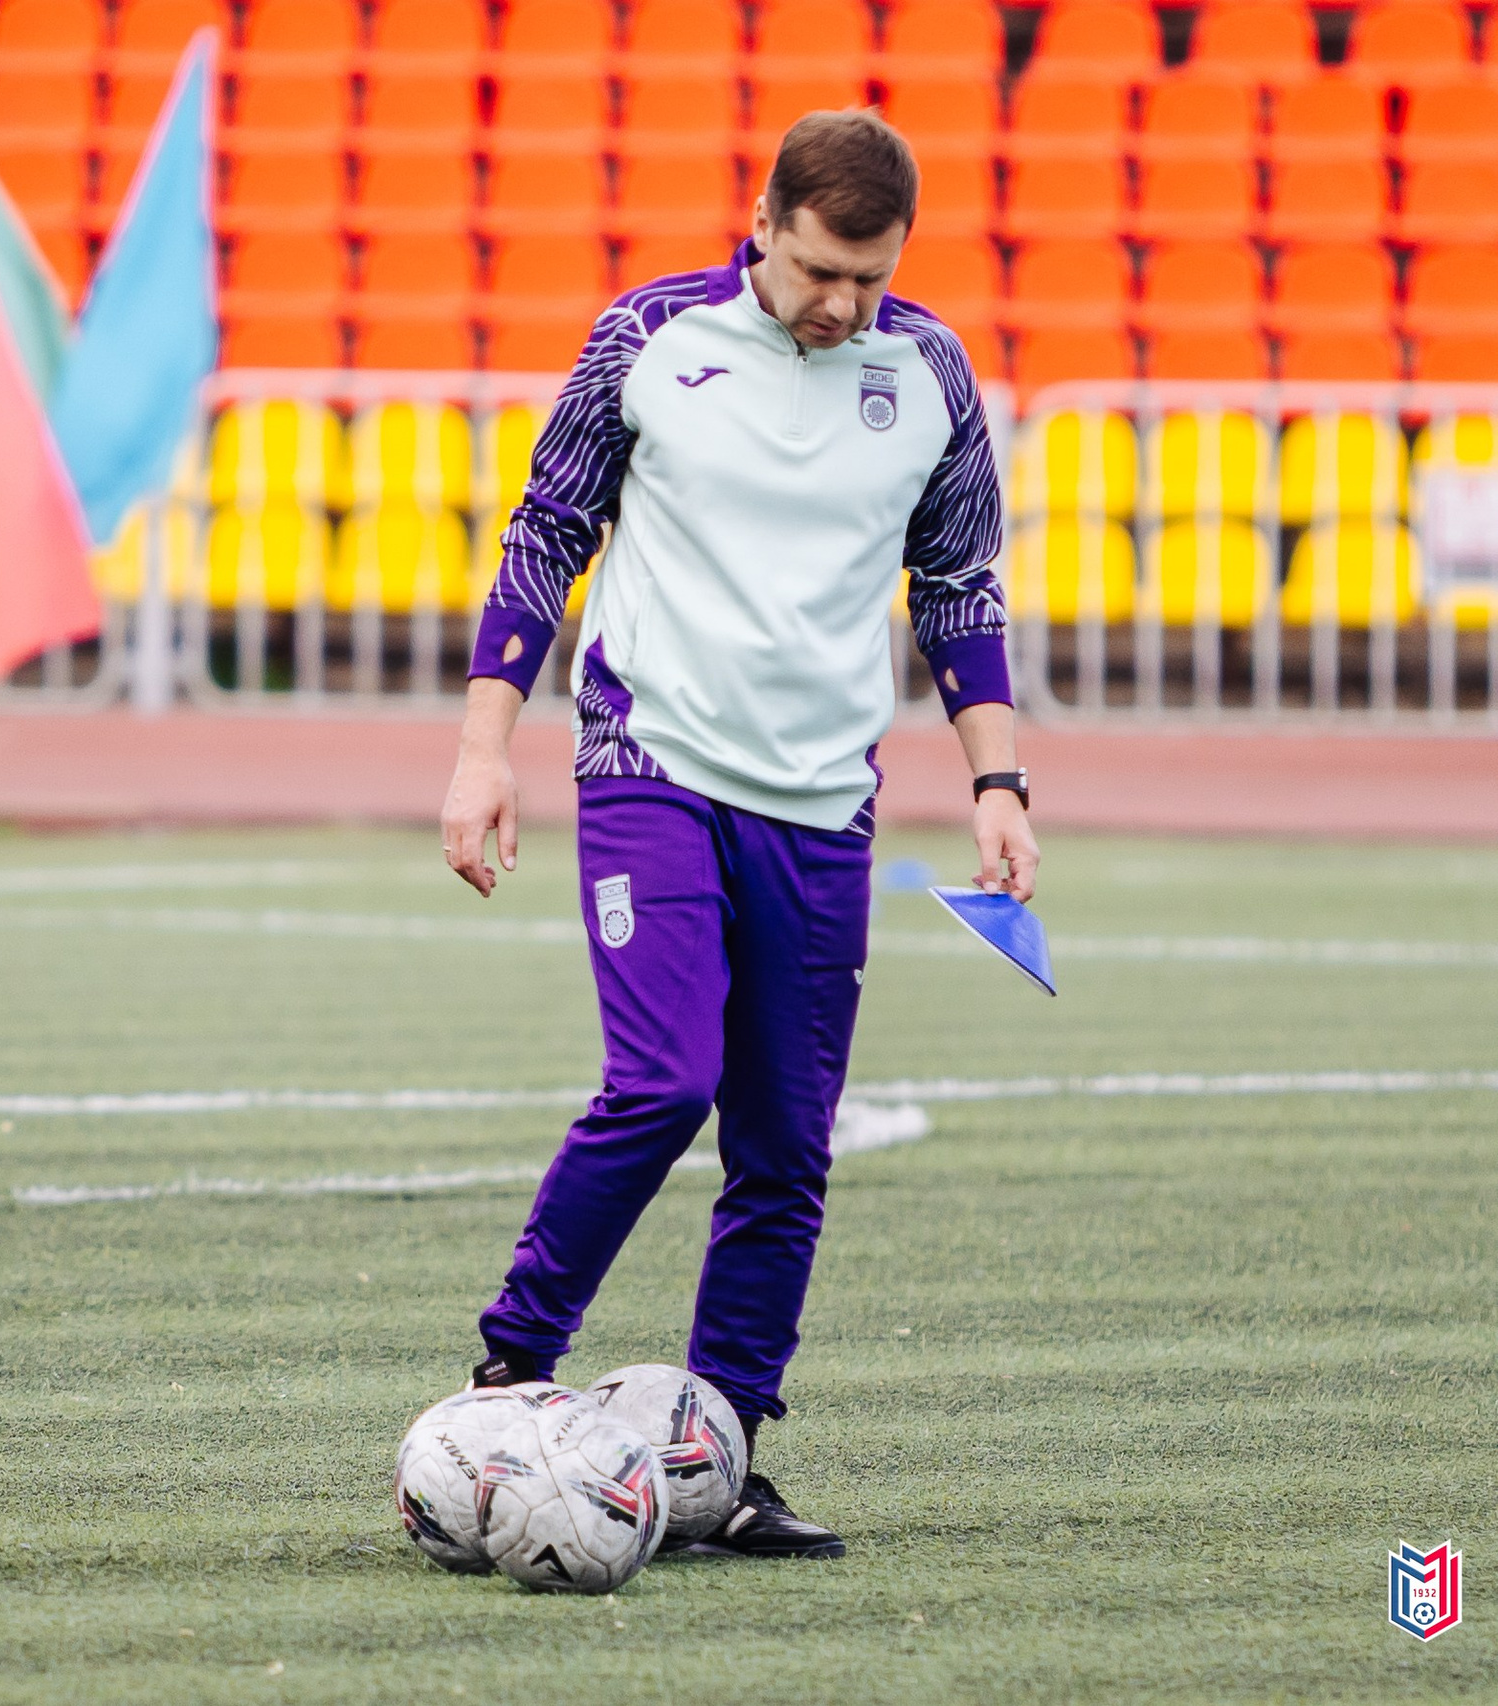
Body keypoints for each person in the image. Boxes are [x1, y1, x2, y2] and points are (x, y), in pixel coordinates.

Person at [438, 110, 1040, 1557]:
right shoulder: (648, 338)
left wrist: (999, 783)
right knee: (661, 1082)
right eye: (821, 268)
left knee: (784, 1143)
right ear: (762, 222)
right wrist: (481, 748)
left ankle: (726, 1455)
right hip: (648, 759)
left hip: (824, 798)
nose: (843, 303)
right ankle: (506, 1377)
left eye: (872, 277)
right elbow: (546, 531)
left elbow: (959, 585)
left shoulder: (931, 372)